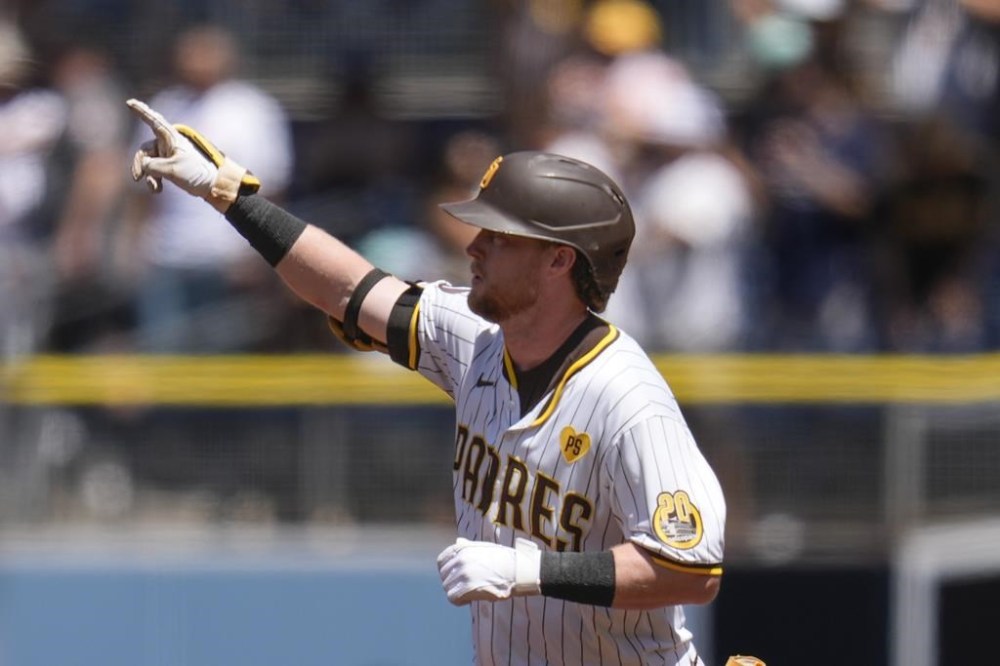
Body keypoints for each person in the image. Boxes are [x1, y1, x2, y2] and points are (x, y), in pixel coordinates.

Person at [127, 98, 727, 665]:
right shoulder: (475, 336)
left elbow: (690, 571)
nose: (474, 246)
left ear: (558, 259)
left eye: (499, 236)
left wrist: (530, 571)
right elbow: (350, 290)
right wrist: (230, 196)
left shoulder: (626, 399)